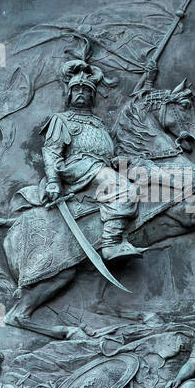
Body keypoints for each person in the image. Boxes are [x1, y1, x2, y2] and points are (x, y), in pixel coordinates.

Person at [25, 44, 144, 260]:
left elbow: (107, 151)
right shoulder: (61, 120)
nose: (81, 93)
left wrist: (117, 161)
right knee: (124, 188)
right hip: (79, 168)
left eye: (86, 90)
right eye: (77, 90)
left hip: (100, 167)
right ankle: (111, 243)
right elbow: (52, 151)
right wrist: (53, 181)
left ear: (93, 95)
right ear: (69, 93)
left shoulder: (98, 123)